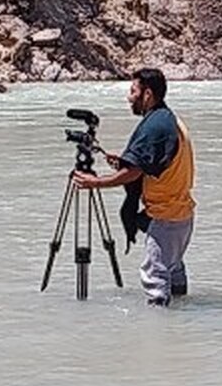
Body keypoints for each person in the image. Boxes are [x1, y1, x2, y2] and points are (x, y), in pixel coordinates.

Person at [72, 67, 196, 306]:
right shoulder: (170, 120)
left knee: (155, 280)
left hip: (165, 217)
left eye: (133, 91)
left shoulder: (155, 126)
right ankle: (183, 324)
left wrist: (94, 183)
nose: (129, 97)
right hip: (182, 214)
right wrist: (124, 161)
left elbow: (134, 172)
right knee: (173, 272)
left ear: (147, 94)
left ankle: (159, 334)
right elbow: (158, 162)